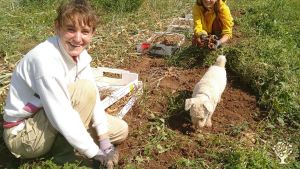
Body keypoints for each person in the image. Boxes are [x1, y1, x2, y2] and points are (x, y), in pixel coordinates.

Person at [2, 0, 128, 168]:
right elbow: (62, 113)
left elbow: (95, 99)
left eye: (85, 31)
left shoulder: (80, 56)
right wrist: (95, 153)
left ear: (92, 33)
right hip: (25, 135)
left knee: (120, 130)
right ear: (57, 27)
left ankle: (69, 140)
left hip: (48, 120)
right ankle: (64, 154)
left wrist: (104, 142)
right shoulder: (46, 61)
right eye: (70, 29)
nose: (78, 38)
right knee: (84, 90)